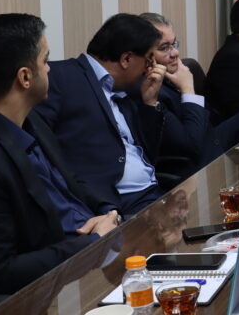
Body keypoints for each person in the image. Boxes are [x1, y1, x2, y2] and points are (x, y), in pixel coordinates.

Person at [0, 14, 119, 297]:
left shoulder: (31, 119)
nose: (50, 69)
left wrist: (108, 212)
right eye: (45, 60)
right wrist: (91, 243)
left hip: (97, 248)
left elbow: (70, 181)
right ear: (25, 77)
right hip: (58, 287)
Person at [32, 13, 165, 216]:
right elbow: (46, 155)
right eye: (148, 61)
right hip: (110, 205)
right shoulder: (59, 77)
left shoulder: (128, 90)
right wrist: (103, 207)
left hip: (153, 193)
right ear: (126, 59)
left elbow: (149, 151)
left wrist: (149, 103)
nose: (149, 70)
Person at [138, 13, 239, 174]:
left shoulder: (172, 77)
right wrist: (188, 90)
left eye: (174, 44)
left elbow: (211, 118)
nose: (175, 53)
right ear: (145, 56)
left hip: (210, 138)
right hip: (197, 161)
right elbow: (191, 145)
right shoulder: (149, 90)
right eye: (164, 48)